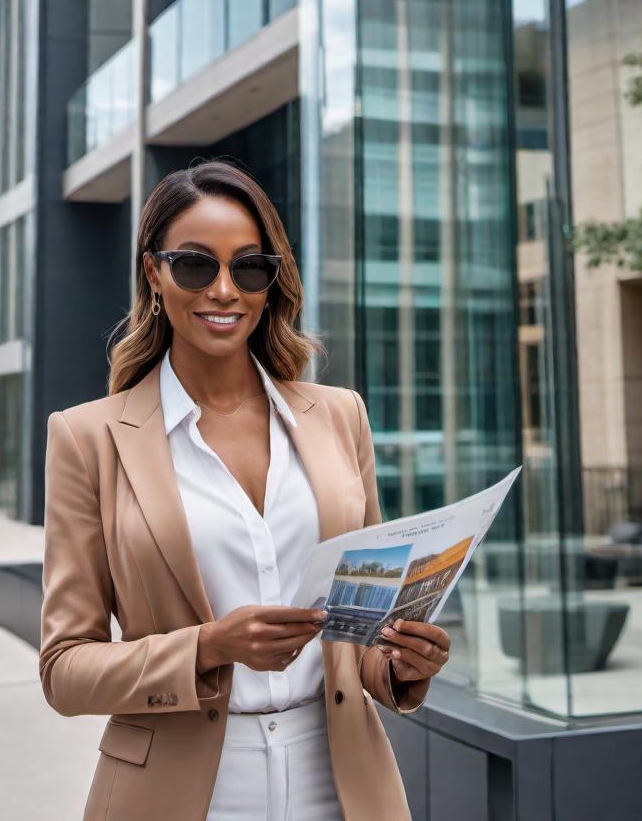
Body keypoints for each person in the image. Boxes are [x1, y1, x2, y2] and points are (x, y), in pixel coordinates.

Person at [40, 159, 451, 820]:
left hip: (341, 780)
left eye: (250, 268)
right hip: (180, 792)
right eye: (196, 266)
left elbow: (362, 632)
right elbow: (64, 670)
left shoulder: (339, 416)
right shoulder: (89, 438)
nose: (225, 290)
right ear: (154, 273)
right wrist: (210, 647)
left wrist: (403, 664)